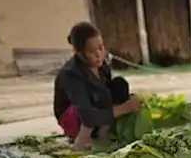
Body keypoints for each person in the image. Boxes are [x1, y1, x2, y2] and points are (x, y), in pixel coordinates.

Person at [53, 21, 141, 149]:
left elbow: (108, 95)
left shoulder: (102, 66)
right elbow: (87, 116)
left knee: (119, 85)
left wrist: (130, 100)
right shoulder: (71, 74)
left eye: (100, 48)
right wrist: (125, 108)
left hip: (94, 109)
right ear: (78, 52)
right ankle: (82, 140)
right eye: (91, 51)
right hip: (74, 117)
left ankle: (103, 132)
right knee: (100, 95)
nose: (98, 55)